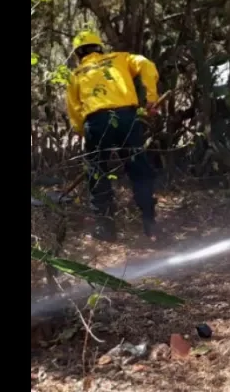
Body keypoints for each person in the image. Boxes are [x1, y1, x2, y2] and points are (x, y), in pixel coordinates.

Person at [66, 31, 160, 242]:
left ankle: (105, 229)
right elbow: (146, 64)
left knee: (97, 171)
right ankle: (150, 223)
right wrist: (151, 99)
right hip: (127, 117)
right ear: (99, 47)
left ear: (78, 53)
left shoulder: (77, 74)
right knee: (138, 169)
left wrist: (85, 132)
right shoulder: (121, 58)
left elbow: (75, 111)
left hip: (96, 122)